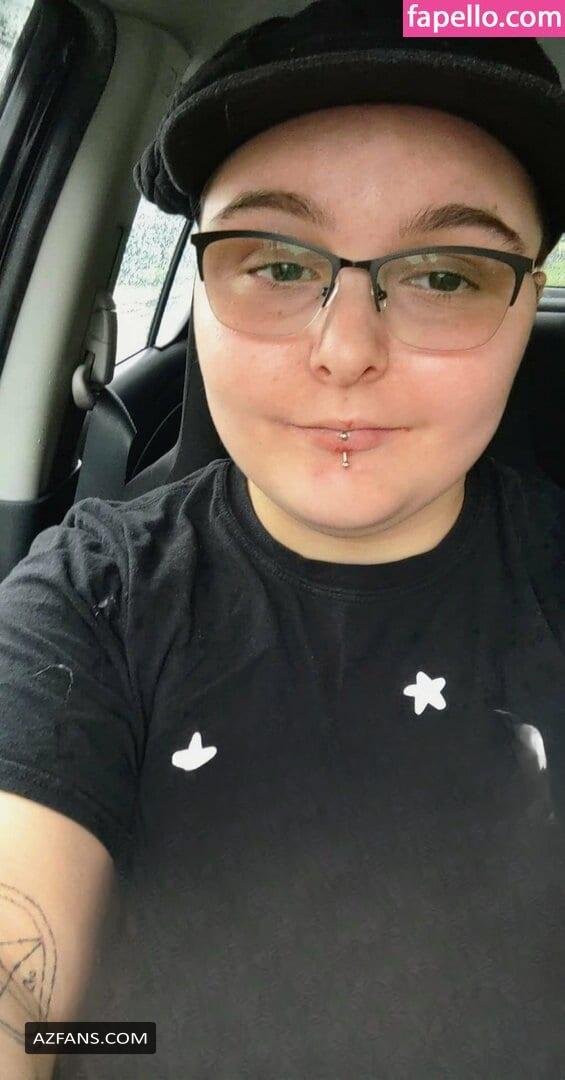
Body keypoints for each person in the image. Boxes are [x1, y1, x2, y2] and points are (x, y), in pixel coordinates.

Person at [1, 1, 565, 1076]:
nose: (345, 350)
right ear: (202, 293)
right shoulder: (89, 594)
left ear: (525, 305)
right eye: (274, 261)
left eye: (444, 275)